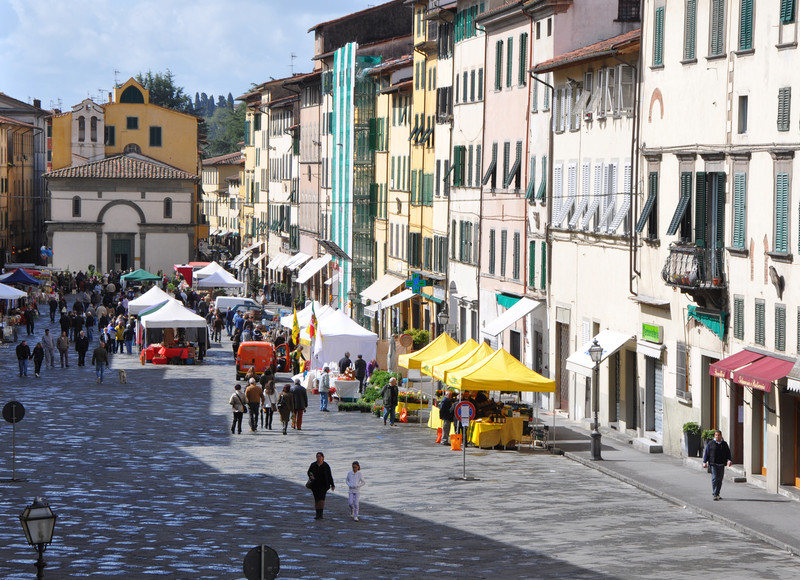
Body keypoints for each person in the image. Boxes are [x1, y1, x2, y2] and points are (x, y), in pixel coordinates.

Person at [702, 430, 733, 500]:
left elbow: (728, 453)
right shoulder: (711, 443)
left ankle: (717, 493)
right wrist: (704, 462)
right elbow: (707, 453)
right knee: (714, 478)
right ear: (714, 436)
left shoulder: (724, 444)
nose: (717, 436)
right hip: (713, 463)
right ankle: (715, 493)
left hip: (721, 464)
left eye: (718, 435)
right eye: (716, 435)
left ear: (721, 436)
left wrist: (729, 460)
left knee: (720, 479)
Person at [307, 452, 335, 520]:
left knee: (321, 499)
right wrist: (311, 476)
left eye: (320, 456)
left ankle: (321, 514)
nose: (318, 458)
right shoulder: (313, 465)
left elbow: (329, 475)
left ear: (323, 457)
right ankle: (317, 514)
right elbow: (309, 472)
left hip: (323, 485)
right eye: (317, 456)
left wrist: (332, 484)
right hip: (315, 485)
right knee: (316, 499)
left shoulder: (326, 465)